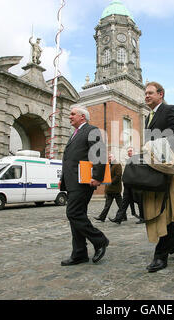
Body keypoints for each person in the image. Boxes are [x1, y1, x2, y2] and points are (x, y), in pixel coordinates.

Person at [142, 81, 174, 273]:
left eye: (150, 93)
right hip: (152, 168)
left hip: (166, 167)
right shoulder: (148, 117)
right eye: (145, 93)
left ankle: (161, 255)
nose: (146, 96)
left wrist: (157, 145)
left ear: (161, 94)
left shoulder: (170, 109)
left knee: (162, 210)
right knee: (157, 209)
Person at [59, 107, 109, 266]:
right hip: (72, 181)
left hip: (84, 181)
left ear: (82, 117)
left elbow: (99, 153)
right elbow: (69, 159)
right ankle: (79, 253)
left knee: (73, 213)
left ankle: (100, 240)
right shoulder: (73, 134)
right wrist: (63, 179)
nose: (69, 116)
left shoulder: (91, 130)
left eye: (72, 114)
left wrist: (97, 176)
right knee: (77, 215)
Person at [109, 147, 144, 224]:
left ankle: (143, 218)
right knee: (124, 202)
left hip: (135, 185)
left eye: (131, 151)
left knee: (140, 202)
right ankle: (118, 218)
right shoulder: (127, 161)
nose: (129, 152)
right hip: (127, 185)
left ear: (134, 152)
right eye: (128, 151)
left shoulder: (138, 160)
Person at [94, 154, 123, 222]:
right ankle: (102, 217)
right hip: (109, 189)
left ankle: (123, 216)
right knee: (107, 205)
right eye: (108, 157)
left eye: (110, 157)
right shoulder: (109, 166)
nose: (109, 158)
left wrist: (110, 182)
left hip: (115, 189)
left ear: (114, 158)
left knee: (120, 204)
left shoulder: (117, 165)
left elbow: (118, 175)